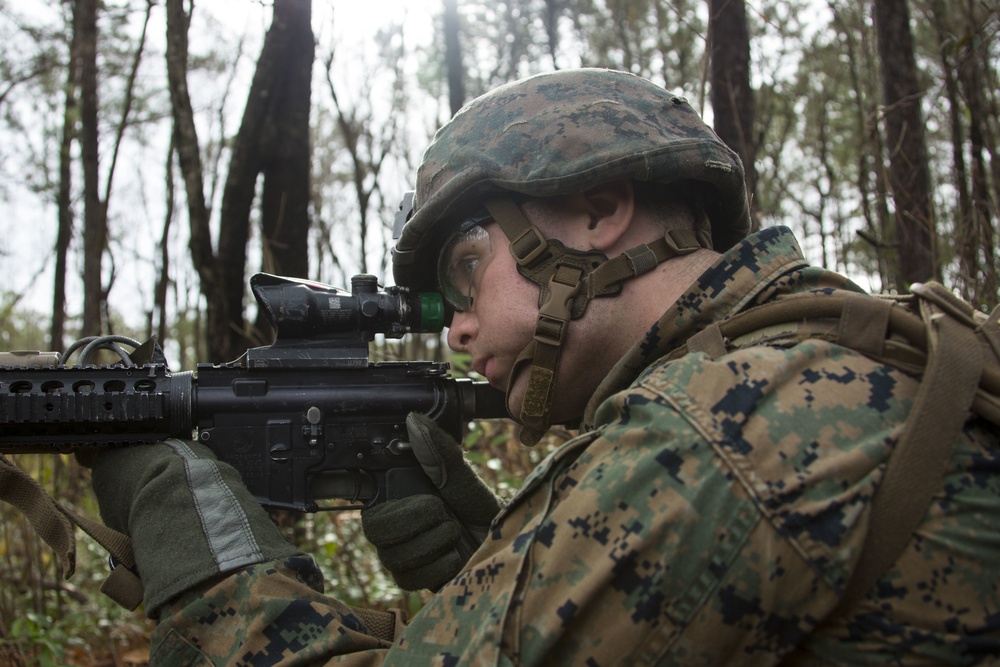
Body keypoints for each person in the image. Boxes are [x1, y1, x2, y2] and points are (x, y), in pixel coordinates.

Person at [89, 68, 1000, 665]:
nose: (450, 327)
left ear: (600, 208)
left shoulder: (707, 439)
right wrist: (484, 584)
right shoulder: (824, 349)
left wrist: (210, 570)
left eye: (463, 268)